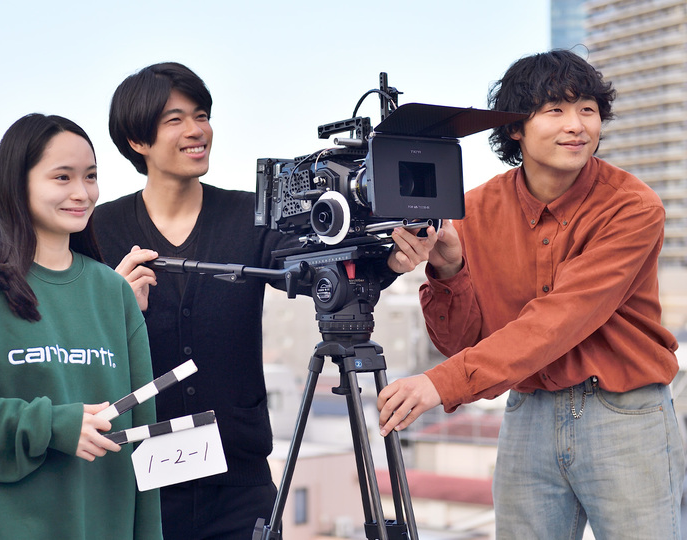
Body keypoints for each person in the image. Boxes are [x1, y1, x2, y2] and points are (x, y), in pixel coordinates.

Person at [94, 61, 417, 539]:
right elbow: (57, 318)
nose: (196, 131)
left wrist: (392, 261)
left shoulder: (250, 215)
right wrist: (111, 307)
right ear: (136, 141)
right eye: (175, 120)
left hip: (240, 482)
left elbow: (320, 276)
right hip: (138, 481)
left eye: (202, 115)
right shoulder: (100, 229)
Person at [377, 49, 686, 539]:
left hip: (624, 413)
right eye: (555, 110)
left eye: (588, 109)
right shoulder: (472, 209)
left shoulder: (632, 207)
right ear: (515, 128)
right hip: (528, 408)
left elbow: (561, 317)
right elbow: (462, 342)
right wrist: (450, 268)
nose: (577, 125)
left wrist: (441, 384)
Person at [0, 114, 162, 540]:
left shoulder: (113, 293)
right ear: (16, 184)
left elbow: (141, 438)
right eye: (62, 177)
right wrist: (52, 426)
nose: (82, 192)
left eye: (91, 176)